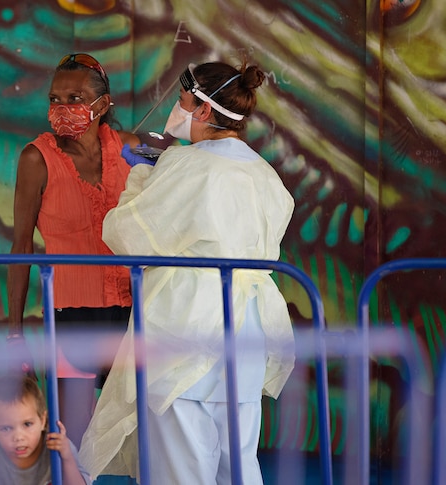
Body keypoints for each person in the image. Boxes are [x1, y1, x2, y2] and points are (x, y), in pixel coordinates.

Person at [79, 60, 296, 484]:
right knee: (238, 466)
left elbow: (128, 235)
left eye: (182, 102)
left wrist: (142, 175)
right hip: (247, 333)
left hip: (185, 331)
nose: (175, 111)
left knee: (180, 469)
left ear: (204, 111)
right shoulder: (266, 175)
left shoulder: (186, 165)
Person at [6, 53, 141, 448]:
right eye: (55, 99)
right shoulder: (37, 158)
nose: (62, 108)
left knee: (142, 439)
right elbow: (21, 245)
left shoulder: (130, 150)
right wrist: (15, 333)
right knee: (70, 440)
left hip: (134, 313)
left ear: (102, 104)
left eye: (75, 98)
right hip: (71, 317)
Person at [0, 375, 90, 485]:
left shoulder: (59, 447)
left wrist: (67, 458)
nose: (18, 437)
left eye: (27, 424)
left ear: (43, 420)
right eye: (6, 428)